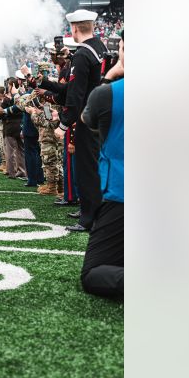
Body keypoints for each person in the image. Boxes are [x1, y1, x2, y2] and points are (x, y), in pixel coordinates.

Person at [80, 32, 124, 301]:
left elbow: (88, 120)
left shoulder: (107, 94)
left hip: (122, 197)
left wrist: (110, 75)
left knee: (93, 272)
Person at [55, 9, 107, 232]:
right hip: (102, 115)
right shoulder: (100, 48)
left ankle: (88, 218)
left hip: (88, 119)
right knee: (95, 167)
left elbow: (76, 95)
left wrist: (63, 123)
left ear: (74, 28)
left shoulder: (82, 54)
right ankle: (89, 208)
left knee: (87, 169)